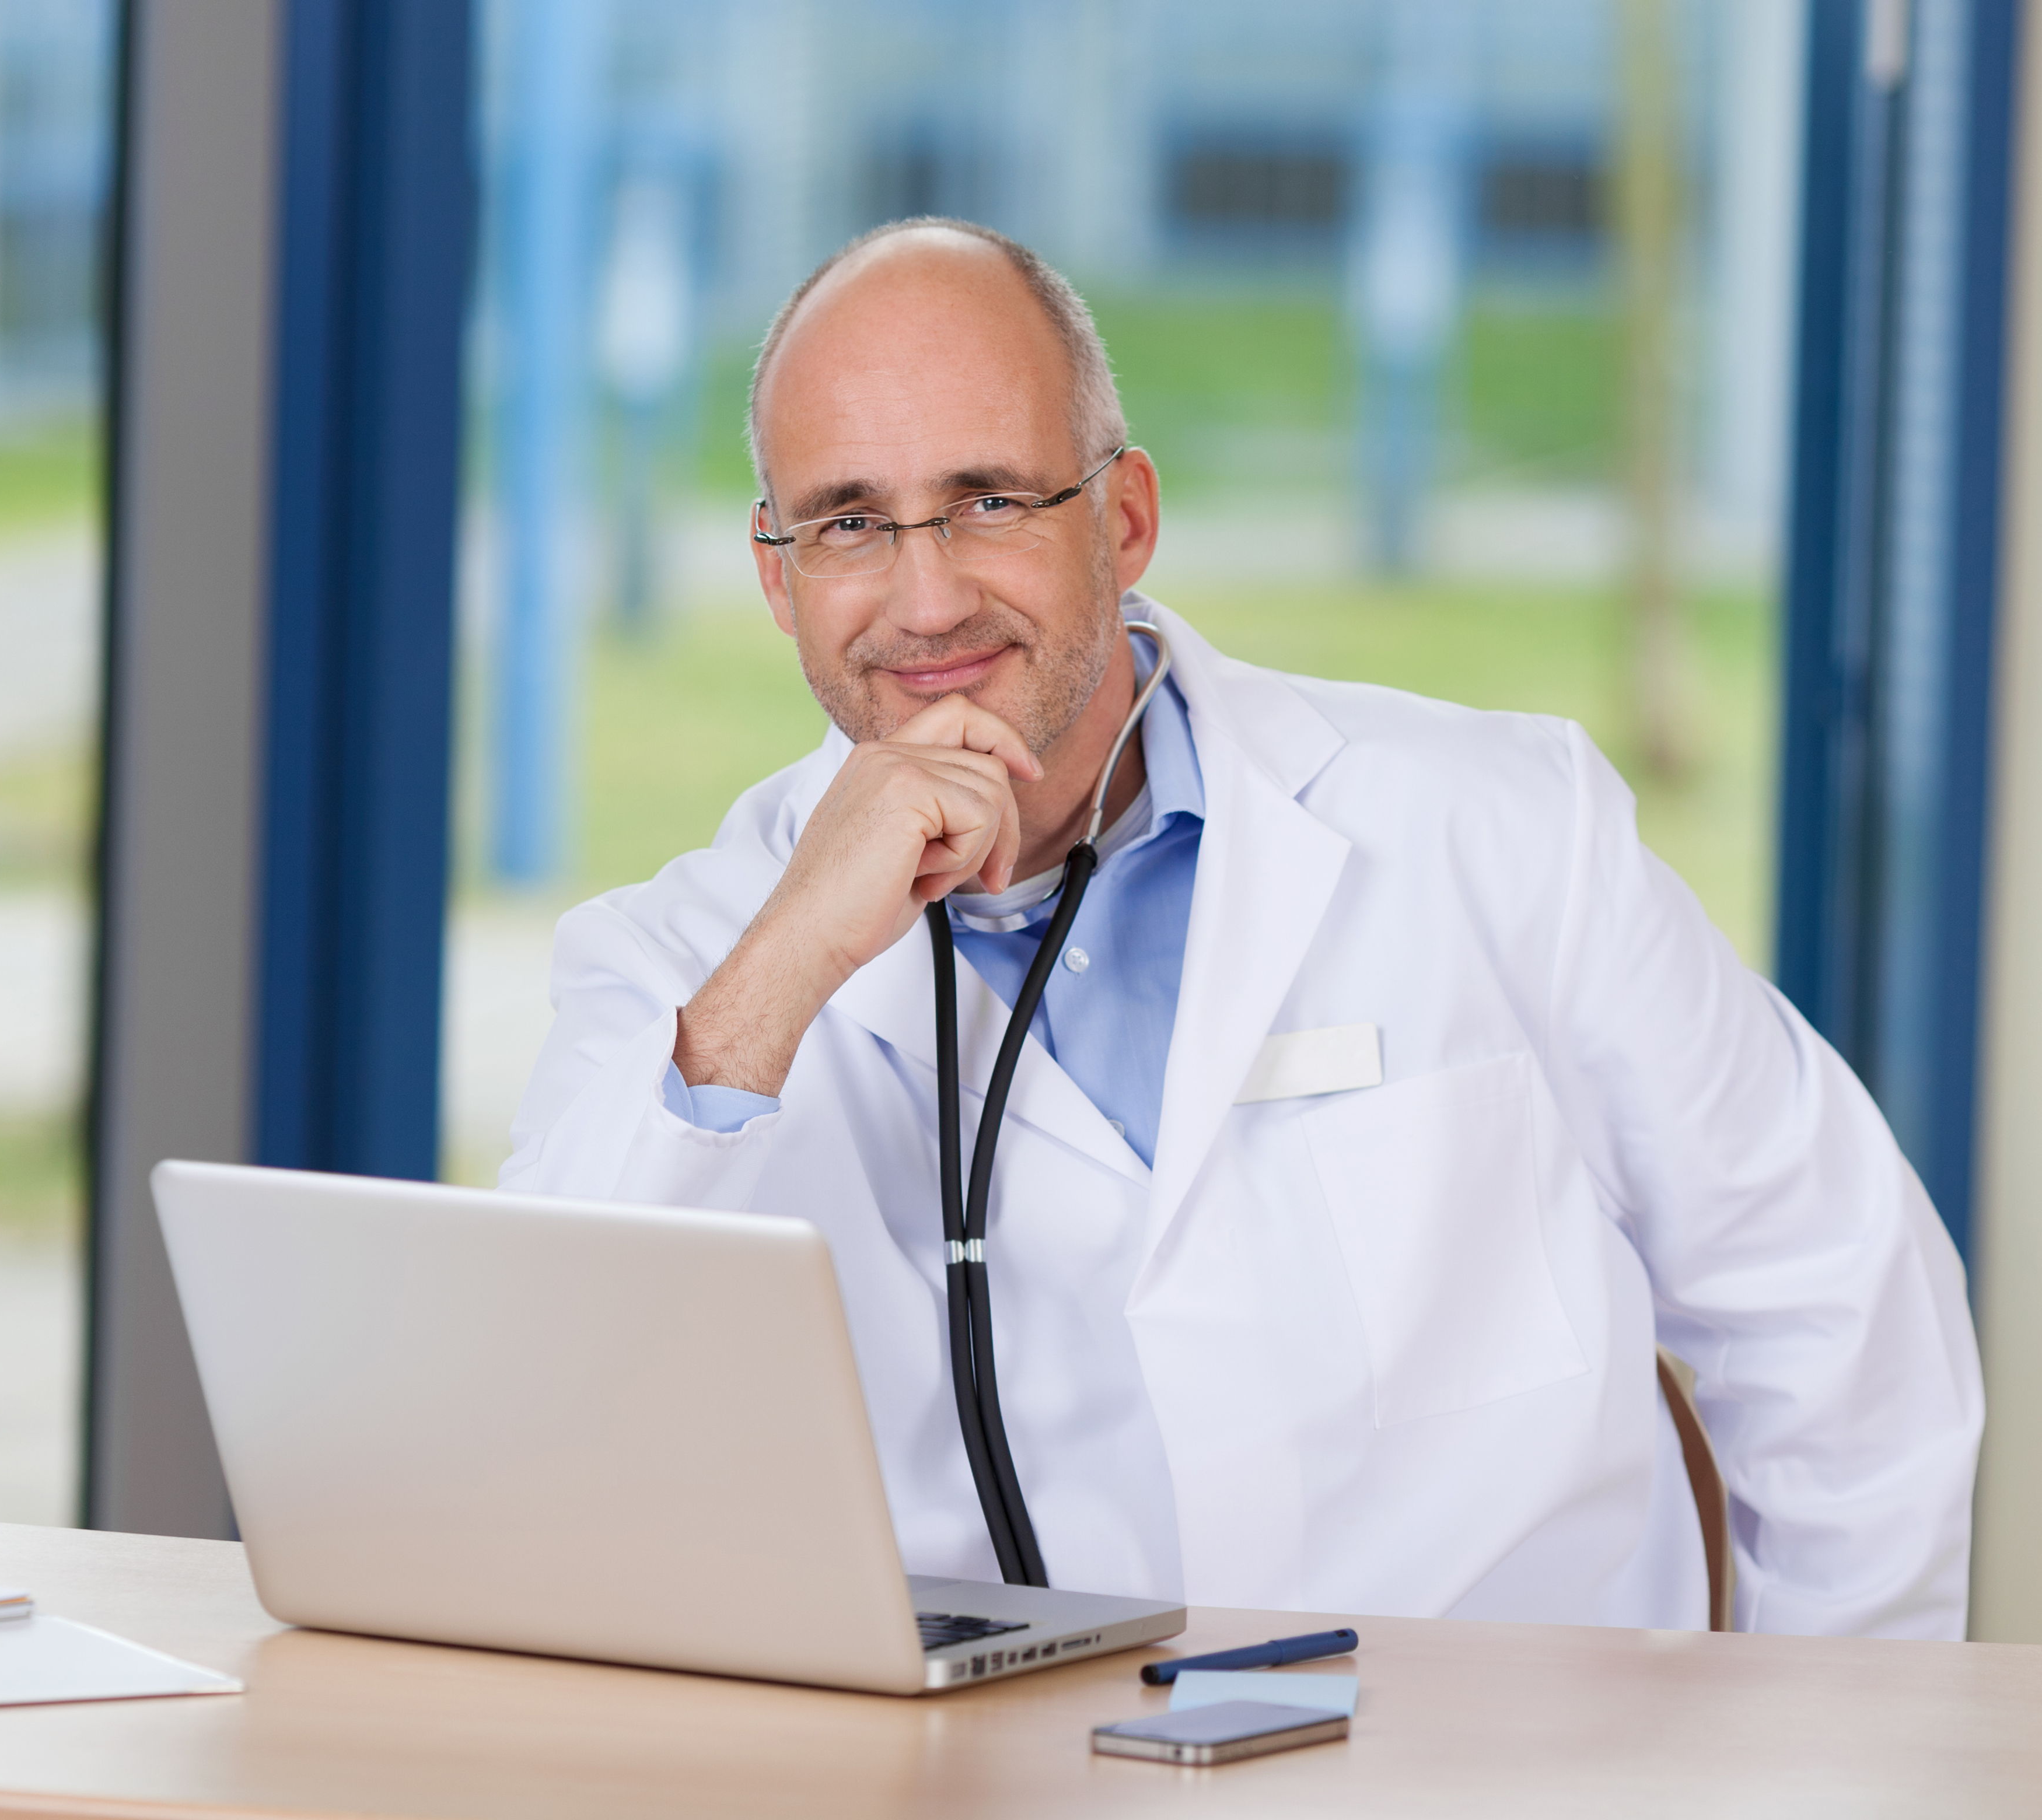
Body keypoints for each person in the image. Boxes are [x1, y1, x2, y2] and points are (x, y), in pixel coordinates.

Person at [499, 218, 1981, 1637]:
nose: (928, 592)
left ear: (1126, 519)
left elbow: (1838, 1309)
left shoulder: (1503, 831)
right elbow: (537, 1420)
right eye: (849, 525)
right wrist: (793, 957)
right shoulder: (683, 966)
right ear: (777, 577)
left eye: (993, 500)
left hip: (1503, 1778)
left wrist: (1821, 1755)